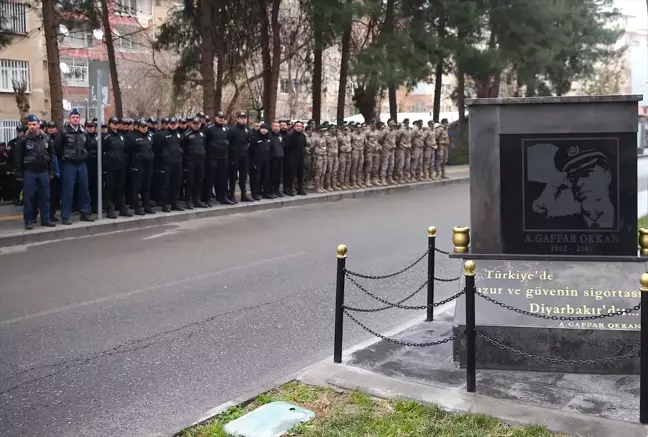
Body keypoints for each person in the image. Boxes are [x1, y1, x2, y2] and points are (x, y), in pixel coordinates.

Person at [13, 114, 56, 230]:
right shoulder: (23, 140)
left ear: (39, 125)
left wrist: (52, 171)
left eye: (34, 124)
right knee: (29, 198)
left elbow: (52, 156)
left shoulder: (46, 138)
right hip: (29, 172)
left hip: (43, 172)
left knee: (45, 197)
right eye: (30, 124)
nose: (32, 127)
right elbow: (18, 158)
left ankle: (46, 219)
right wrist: (19, 174)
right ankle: (28, 220)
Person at [59, 109, 95, 224]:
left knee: (84, 189)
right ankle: (65, 216)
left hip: (82, 164)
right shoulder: (64, 131)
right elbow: (57, 147)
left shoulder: (83, 132)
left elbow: (88, 146)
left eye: (77, 117)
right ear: (69, 118)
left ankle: (84, 212)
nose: (75, 119)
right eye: (73, 117)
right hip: (69, 164)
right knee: (68, 191)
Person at [103, 117, 131, 219]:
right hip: (110, 167)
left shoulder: (121, 136)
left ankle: (122, 208)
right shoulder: (106, 137)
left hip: (121, 166)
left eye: (117, 123)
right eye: (114, 123)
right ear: (110, 124)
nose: (116, 125)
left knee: (120, 188)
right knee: (109, 188)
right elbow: (103, 151)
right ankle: (109, 209)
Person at [127, 118, 156, 215]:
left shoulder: (150, 135)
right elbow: (129, 151)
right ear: (137, 127)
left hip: (149, 164)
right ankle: (137, 207)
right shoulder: (132, 136)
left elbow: (153, 147)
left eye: (146, 126)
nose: (144, 128)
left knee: (147, 186)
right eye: (142, 127)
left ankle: (146, 205)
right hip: (138, 164)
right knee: (137, 187)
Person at [203, 111, 232, 206]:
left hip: (223, 157)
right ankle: (207, 199)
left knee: (222, 179)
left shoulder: (226, 129)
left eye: (222, 117)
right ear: (215, 117)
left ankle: (222, 197)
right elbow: (205, 143)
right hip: (212, 157)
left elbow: (229, 141)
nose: (221, 118)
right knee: (210, 178)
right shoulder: (209, 129)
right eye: (219, 117)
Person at [159, 117, 184, 212]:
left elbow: (182, 146)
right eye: (171, 124)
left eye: (175, 124)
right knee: (165, 185)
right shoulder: (162, 135)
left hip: (177, 163)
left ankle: (175, 203)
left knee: (176, 184)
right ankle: (165, 204)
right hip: (167, 164)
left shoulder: (179, 135)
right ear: (168, 124)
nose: (173, 125)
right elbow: (158, 149)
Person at [182, 116, 207, 209]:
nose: (196, 125)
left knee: (199, 181)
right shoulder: (186, 135)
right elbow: (183, 149)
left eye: (198, 124)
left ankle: (197, 199)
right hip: (190, 162)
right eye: (195, 123)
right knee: (190, 182)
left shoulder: (202, 135)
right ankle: (188, 201)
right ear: (191, 124)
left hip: (200, 161)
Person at [228, 111, 252, 203]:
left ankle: (244, 195)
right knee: (233, 177)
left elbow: (249, 142)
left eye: (244, 118)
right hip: (234, 156)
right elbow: (229, 143)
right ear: (237, 119)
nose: (243, 119)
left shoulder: (247, 130)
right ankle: (231, 195)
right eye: (241, 117)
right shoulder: (232, 130)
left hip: (244, 157)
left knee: (243, 177)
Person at [284, 120, 307, 195]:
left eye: (300, 126)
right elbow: (286, 147)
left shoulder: (303, 136)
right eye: (297, 126)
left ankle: (300, 189)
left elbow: (304, 145)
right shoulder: (289, 136)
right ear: (294, 127)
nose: (299, 127)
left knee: (301, 175)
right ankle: (290, 189)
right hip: (292, 158)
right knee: (291, 175)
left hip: (300, 158)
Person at [250, 123, 271, 200]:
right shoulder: (255, 137)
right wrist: (252, 161)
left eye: (265, 129)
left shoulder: (268, 138)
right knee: (256, 178)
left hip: (266, 161)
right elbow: (251, 150)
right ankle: (255, 194)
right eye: (262, 128)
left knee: (266, 177)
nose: (264, 130)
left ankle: (265, 192)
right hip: (257, 161)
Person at [85, 119, 99, 213]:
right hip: (86, 163)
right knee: (86, 186)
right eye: (89, 126)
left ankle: (95, 205)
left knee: (95, 186)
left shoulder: (97, 137)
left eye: (92, 126)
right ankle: (87, 206)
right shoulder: (83, 136)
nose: (91, 128)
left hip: (96, 163)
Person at [269, 121, 284, 198]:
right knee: (272, 175)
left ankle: (277, 190)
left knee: (278, 176)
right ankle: (271, 191)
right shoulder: (269, 136)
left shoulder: (280, 136)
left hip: (280, 158)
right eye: (275, 126)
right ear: (272, 127)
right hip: (272, 158)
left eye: (278, 126)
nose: (277, 128)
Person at [337, 125, 352, 189]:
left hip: (348, 153)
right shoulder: (340, 136)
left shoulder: (348, 136)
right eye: (345, 129)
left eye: (347, 129)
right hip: (342, 153)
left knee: (347, 169)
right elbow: (336, 145)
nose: (346, 131)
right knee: (342, 169)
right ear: (342, 130)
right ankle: (341, 183)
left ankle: (346, 183)